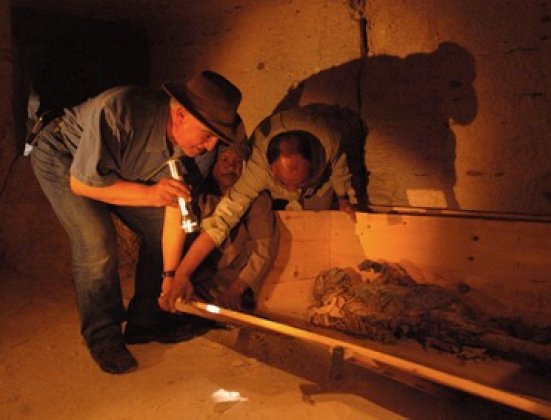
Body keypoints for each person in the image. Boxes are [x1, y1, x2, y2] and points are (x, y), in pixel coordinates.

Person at [30, 70, 246, 374]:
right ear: (181, 115)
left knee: (161, 230)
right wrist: (149, 194)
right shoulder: (121, 110)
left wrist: (172, 276)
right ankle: (104, 336)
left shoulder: (199, 153)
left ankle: (146, 321)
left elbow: (173, 207)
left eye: (217, 139)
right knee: (96, 239)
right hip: (66, 157)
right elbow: (82, 184)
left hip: (120, 169)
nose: (212, 146)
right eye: (208, 135)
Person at [160, 106, 357, 312]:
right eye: (225, 160)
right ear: (270, 169)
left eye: (298, 183)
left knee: (316, 221)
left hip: (318, 175)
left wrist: (343, 196)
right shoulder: (255, 172)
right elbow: (221, 221)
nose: (294, 193)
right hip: (216, 275)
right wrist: (180, 274)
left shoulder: (330, 142)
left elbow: (339, 168)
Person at [160, 142, 278, 313]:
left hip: (234, 281)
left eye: (238, 162)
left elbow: (264, 247)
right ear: (213, 164)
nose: (231, 166)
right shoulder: (199, 193)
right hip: (195, 276)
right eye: (225, 159)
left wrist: (237, 289)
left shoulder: (257, 200)